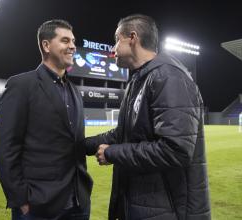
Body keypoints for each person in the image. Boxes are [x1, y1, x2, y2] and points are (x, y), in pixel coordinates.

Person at [84, 14, 211, 220]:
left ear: (132, 38)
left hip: (168, 209)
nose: (113, 47)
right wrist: (83, 146)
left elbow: (175, 150)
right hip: (142, 205)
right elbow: (125, 134)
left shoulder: (169, 77)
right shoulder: (140, 79)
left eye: (117, 39)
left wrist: (113, 154)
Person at [0, 19, 93, 220]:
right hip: (38, 206)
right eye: (65, 40)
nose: (73, 46)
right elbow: (4, 146)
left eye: (73, 41)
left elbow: (74, 144)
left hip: (78, 203)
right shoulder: (22, 85)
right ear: (46, 45)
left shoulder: (74, 91)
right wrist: (21, 200)